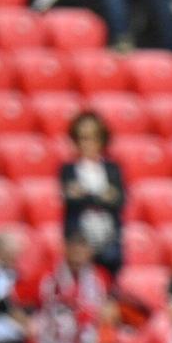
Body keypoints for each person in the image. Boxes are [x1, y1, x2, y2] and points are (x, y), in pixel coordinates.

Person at [34, 234, 114, 343]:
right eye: (74, 250)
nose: (78, 256)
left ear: (90, 253)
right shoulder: (49, 277)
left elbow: (109, 308)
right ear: (66, 250)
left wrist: (105, 313)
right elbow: (21, 301)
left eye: (82, 251)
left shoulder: (99, 278)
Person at [61, 111, 127, 278]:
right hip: (80, 243)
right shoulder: (68, 170)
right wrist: (102, 195)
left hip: (109, 241)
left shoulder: (113, 169)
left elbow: (119, 201)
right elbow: (71, 200)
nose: (88, 144)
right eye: (83, 138)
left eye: (94, 138)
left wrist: (85, 195)